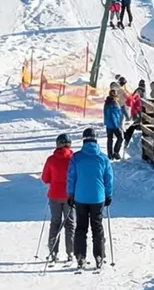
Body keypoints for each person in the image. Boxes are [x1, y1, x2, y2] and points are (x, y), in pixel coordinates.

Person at [66, 128, 114, 270]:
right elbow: (108, 179)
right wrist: (108, 195)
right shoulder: (103, 158)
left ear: (84, 140)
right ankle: (99, 256)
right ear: (96, 139)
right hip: (98, 197)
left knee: (81, 227)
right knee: (97, 227)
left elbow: (71, 177)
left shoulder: (77, 157)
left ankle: (80, 256)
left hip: (80, 197)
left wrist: (70, 194)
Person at [40, 134, 75, 262]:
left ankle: (53, 251)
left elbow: (45, 178)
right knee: (70, 223)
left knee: (55, 222)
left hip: (54, 195)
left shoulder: (51, 159)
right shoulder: (73, 158)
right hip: (69, 195)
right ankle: (70, 251)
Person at [103, 91, 125, 160]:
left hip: (109, 124)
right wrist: (117, 125)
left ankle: (110, 153)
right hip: (114, 124)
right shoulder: (113, 103)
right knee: (120, 137)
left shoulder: (107, 103)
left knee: (110, 138)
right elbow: (113, 115)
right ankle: (116, 152)